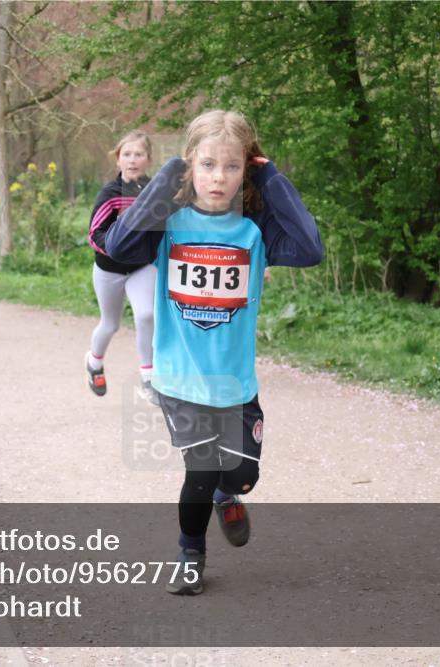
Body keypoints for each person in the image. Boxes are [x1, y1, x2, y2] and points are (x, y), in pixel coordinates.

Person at [105, 110, 323, 595]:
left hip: (234, 382)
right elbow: (118, 248)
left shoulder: (256, 227)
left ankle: (231, 494)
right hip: (180, 379)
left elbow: (309, 249)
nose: (217, 178)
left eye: (231, 166)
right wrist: (167, 176)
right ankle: (190, 554)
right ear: (189, 166)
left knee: (241, 475)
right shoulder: (169, 221)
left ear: (246, 170)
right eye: (205, 165)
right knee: (199, 471)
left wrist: (272, 177)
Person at [84, 131, 157, 404]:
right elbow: (94, 234)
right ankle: (94, 362)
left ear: (148, 159)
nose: (132, 159)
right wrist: (117, 248)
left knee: (146, 315)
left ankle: (148, 379)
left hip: (141, 267)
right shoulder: (110, 194)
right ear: (118, 160)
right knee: (110, 324)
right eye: (126, 154)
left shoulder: (155, 193)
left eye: (138, 154)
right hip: (109, 269)